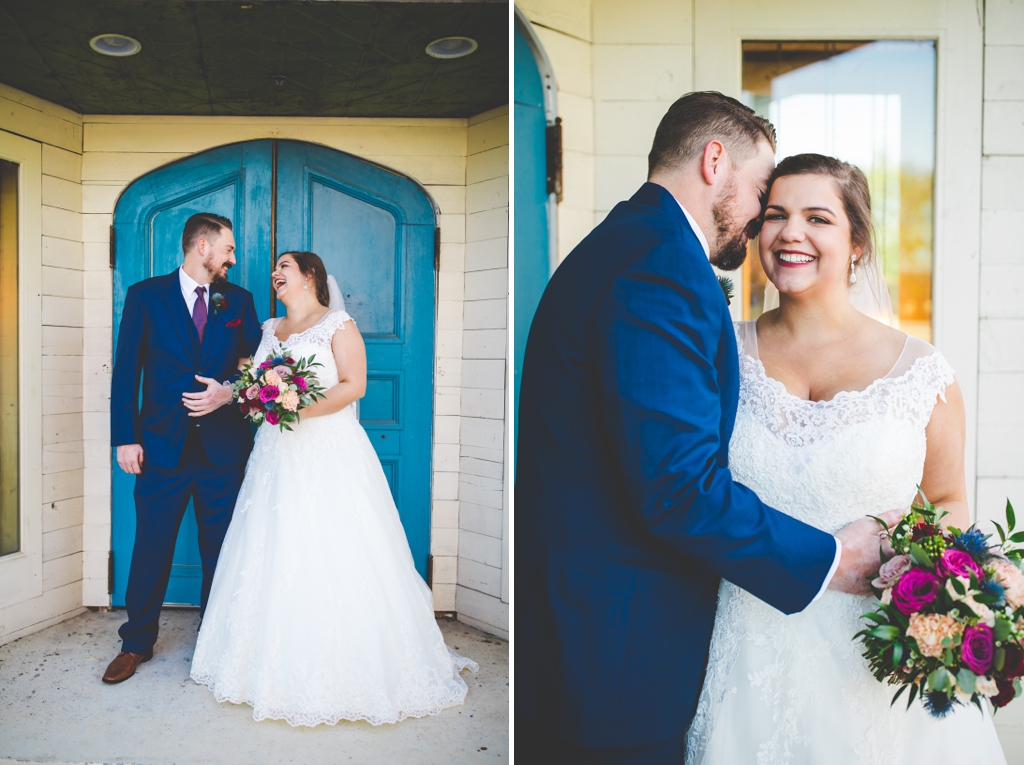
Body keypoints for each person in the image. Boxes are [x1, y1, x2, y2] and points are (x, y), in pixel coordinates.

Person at [515, 92, 902, 762]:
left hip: (610, 632)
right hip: (615, 653)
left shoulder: (629, 245)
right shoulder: (660, 266)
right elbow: (677, 487)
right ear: (714, 159)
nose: (758, 224)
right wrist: (836, 558)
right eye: (762, 195)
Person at [685, 153, 1006, 763]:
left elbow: (947, 500)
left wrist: (938, 592)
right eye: (774, 215)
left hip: (873, 658)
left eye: (817, 218)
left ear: (857, 241)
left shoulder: (923, 373)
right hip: (741, 645)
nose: (791, 233)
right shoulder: (720, 350)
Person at [189, 251, 477, 726]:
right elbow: (252, 383)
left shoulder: (338, 324)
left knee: (333, 543)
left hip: (327, 448)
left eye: (286, 266)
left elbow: (354, 385)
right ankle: (258, 665)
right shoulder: (268, 329)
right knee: (272, 543)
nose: (276, 274)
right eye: (275, 269)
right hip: (274, 454)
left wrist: (296, 409)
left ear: (310, 276)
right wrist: (243, 394)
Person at [105, 213, 262, 684]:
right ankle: (135, 645)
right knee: (151, 546)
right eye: (228, 249)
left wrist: (227, 391)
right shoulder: (145, 296)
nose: (233, 258)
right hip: (160, 448)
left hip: (223, 449)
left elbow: (257, 366)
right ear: (202, 247)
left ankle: (214, 646)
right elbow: (125, 372)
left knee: (221, 550)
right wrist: (125, 437)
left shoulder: (239, 300)